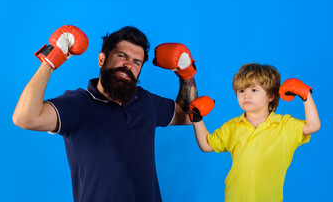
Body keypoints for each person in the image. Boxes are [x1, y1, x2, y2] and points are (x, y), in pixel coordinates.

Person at [12, 25, 198, 202]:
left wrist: (187, 73)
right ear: (102, 59)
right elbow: (24, 117)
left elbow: (190, 115)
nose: (128, 66)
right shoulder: (78, 104)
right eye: (122, 56)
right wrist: (52, 58)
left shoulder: (146, 102)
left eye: (136, 62)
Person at [189, 63, 321, 202]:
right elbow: (206, 145)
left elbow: (313, 126)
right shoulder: (233, 126)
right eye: (241, 91)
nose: (246, 95)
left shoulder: (284, 125)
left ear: (270, 95)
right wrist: (197, 119)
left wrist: (305, 95)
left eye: (253, 90)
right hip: (234, 198)